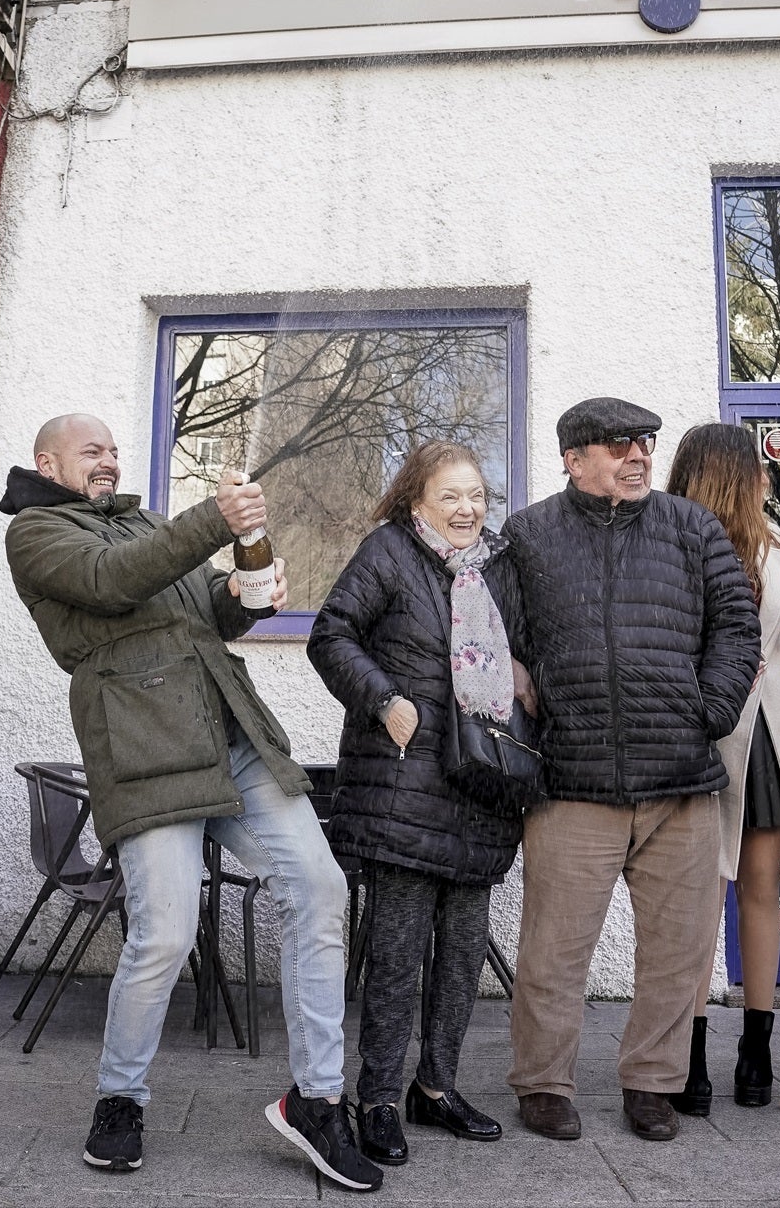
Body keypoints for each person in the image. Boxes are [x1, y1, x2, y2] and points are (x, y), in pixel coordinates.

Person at [1, 414, 380, 1193]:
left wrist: (245, 590)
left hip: (230, 733)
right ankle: (121, 1098)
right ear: (47, 462)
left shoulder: (140, 521)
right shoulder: (35, 532)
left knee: (318, 885)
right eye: (91, 451)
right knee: (164, 935)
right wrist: (215, 518)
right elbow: (113, 581)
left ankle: (317, 1099)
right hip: (143, 746)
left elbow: (208, 606)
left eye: (113, 450)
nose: (108, 461)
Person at [501, 398, 761, 1144]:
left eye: (644, 443)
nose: (639, 455)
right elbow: (495, 630)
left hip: (680, 780)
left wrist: (709, 709)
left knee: (679, 951)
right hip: (572, 778)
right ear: (573, 458)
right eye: (617, 446)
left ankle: (653, 1082)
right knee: (554, 950)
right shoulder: (529, 534)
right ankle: (543, 1083)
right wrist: (526, 681)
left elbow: (736, 626)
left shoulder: (691, 527)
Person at [308, 441, 534, 1167]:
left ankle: (434, 1088)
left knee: (463, 954)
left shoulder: (500, 566)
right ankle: (376, 1096)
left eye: (476, 496)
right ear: (417, 504)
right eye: (451, 498)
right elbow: (330, 633)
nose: (467, 510)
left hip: (481, 786)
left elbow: (524, 648)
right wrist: (381, 698)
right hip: (405, 787)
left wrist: (526, 678)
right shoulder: (389, 553)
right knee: (399, 955)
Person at [663, 423, 780, 1113]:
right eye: (756, 468)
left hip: (736, 729)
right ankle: (748, 1062)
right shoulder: (750, 542)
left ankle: (699, 1064)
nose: (766, 475)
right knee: (751, 895)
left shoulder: (681, 540)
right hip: (742, 729)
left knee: (710, 898)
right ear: (735, 475)